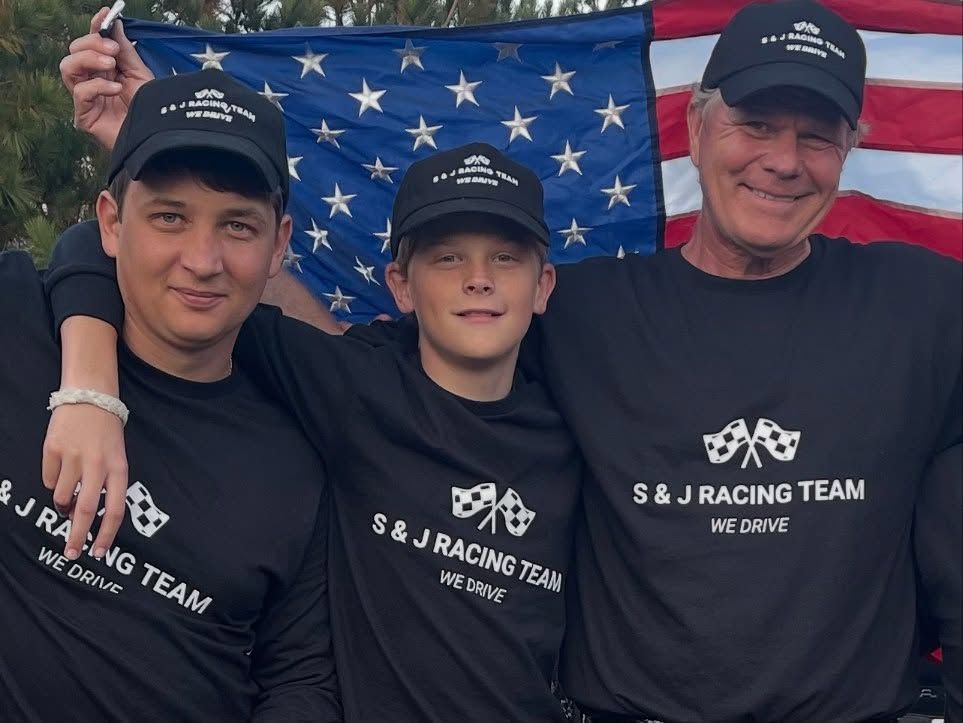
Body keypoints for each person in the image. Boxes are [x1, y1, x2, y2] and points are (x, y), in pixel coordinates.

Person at [56, 0, 962, 720]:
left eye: (815, 135)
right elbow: (254, 307)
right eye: (756, 124)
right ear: (695, 123)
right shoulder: (590, 314)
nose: (782, 160)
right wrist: (92, 375)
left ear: (849, 149)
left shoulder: (926, 304)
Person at [45, 139, 581, 721]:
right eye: (448, 257)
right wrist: (91, 391)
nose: (479, 279)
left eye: (506, 258)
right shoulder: (350, 386)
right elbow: (103, 252)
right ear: (400, 285)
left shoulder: (580, 429)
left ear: (544, 284)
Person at [0, 68, 339, 720]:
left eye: (238, 226)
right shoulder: (17, 319)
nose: (203, 258)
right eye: (169, 217)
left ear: (279, 247)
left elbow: (300, 678)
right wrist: (89, 387)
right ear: (110, 221)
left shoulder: (297, 468)